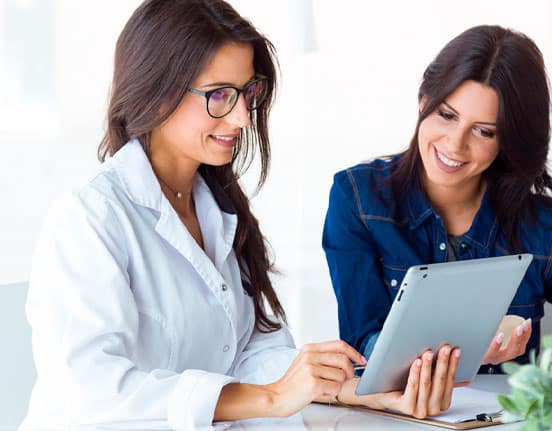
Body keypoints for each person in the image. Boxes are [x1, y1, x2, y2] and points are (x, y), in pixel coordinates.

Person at [21, 1, 462, 430]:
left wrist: (349, 388)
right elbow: (93, 390)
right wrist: (272, 398)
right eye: (218, 95)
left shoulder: (217, 205)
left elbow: (250, 348)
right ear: (156, 93)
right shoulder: (89, 217)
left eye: (247, 93)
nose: (241, 118)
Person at [323, 25, 551, 376]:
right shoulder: (358, 200)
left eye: (483, 131)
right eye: (447, 115)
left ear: (508, 140)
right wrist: (460, 351)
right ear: (423, 100)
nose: (455, 145)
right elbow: (360, 346)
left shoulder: (541, 226)